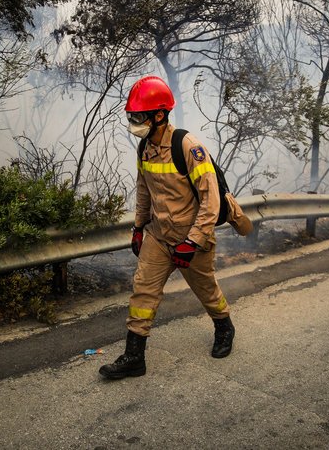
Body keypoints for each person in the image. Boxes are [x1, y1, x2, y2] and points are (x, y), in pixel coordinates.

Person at [99, 76, 235, 379]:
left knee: (206, 290)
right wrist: (138, 228)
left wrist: (195, 240)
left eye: (139, 116)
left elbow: (211, 200)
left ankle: (224, 327)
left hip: (191, 238)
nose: (134, 122)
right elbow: (143, 190)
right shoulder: (144, 148)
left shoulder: (188, 146)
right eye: (131, 116)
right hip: (158, 237)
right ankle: (134, 357)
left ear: (159, 114)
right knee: (142, 291)